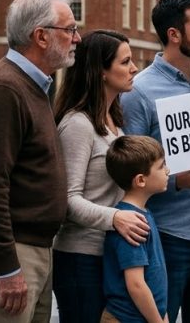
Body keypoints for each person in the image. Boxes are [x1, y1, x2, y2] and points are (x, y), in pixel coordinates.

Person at [0, 0, 79, 322]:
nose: (76, 38)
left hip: (29, 248)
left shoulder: (31, 86)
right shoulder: (5, 90)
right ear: (41, 36)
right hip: (6, 253)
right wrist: (7, 267)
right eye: (69, 29)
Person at [119, 0, 190, 323]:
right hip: (169, 238)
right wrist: (179, 181)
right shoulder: (139, 92)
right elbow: (130, 174)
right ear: (174, 35)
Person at [52, 30, 149, 322]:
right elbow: (67, 200)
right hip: (80, 259)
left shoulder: (114, 120)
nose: (134, 69)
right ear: (101, 72)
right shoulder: (77, 125)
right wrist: (115, 218)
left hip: (108, 255)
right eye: (125, 62)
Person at [101, 135, 171, 323]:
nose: (168, 170)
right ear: (140, 180)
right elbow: (136, 284)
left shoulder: (142, 212)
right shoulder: (132, 222)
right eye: (161, 166)